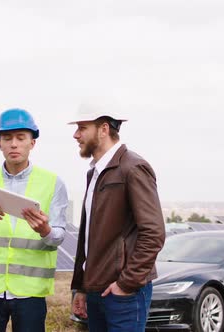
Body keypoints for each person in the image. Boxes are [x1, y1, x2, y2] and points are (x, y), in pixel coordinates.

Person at [0, 108, 68, 332]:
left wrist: (45, 230)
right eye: (7, 138)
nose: (14, 144)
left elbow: (58, 237)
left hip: (31, 292)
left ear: (32, 143)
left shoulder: (53, 183)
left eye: (21, 138)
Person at [69, 102, 165, 331]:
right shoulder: (95, 172)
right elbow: (89, 237)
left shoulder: (133, 167)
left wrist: (126, 283)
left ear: (103, 129)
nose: (75, 135)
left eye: (82, 127)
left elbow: (154, 233)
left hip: (123, 294)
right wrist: (81, 287)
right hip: (96, 291)